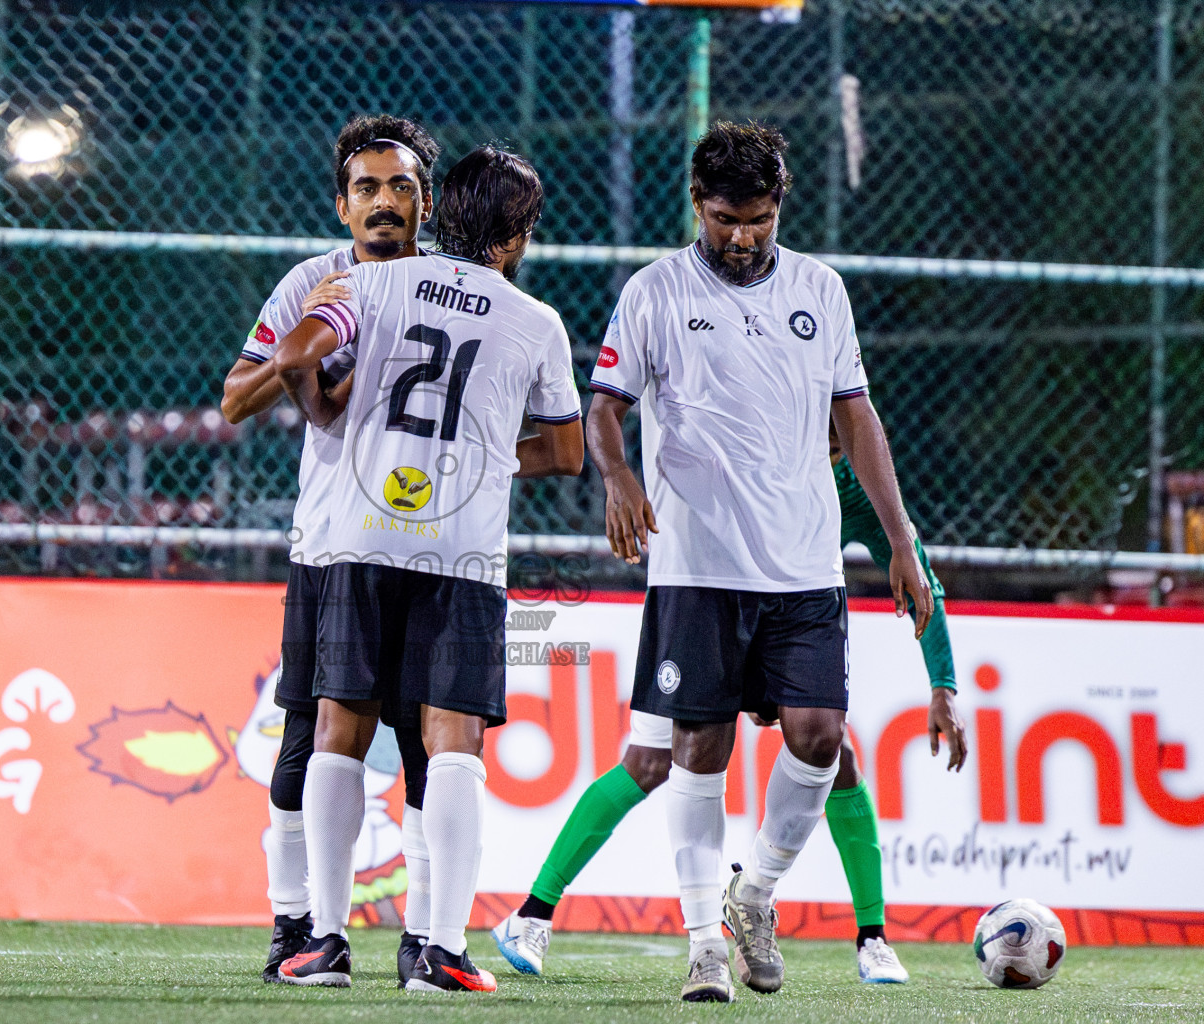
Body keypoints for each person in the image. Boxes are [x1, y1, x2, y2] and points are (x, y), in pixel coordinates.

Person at [567, 120, 930, 1003]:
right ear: (698, 205)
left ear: (780, 207)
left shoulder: (822, 289)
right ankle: (703, 943)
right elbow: (603, 407)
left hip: (805, 564)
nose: (741, 237)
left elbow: (857, 419)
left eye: (758, 220)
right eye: (726, 218)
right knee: (699, 747)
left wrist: (901, 539)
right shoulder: (653, 292)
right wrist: (616, 479)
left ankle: (754, 894)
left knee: (819, 736)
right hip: (695, 562)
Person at [491, 419, 966, 985]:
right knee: (648, 762)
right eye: (825, 434)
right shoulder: (748, 451)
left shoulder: (851, 489)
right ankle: (532, 913)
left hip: (783, 624)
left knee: (834, 754)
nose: (829, 446)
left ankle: (872, 938)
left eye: (839, 438)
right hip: (707, 608)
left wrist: (944, 687)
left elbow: (920, 578)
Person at [271, 146, 585, 992]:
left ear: (439, 212)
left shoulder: (372, 284)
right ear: (519, 233)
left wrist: (326, 413)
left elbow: (295, 356)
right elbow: (566, 450)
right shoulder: (536, 320)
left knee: (339, 727)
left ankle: (324, 945)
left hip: (362, 535)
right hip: (463, 548)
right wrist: (484, 453)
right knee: (453, 745)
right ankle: (439, 951)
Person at [219, 114, 440, 984]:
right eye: (367, 189)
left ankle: (428, 933)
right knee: (305, 737)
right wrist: (307, 351)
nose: (384, 203)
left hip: (433, 548)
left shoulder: (453, 289)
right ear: (340, 204)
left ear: (425, 200)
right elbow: (236, 400)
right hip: (331, 545)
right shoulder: (313, 282)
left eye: (401, 188)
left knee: (429, 743)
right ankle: (295, 925)